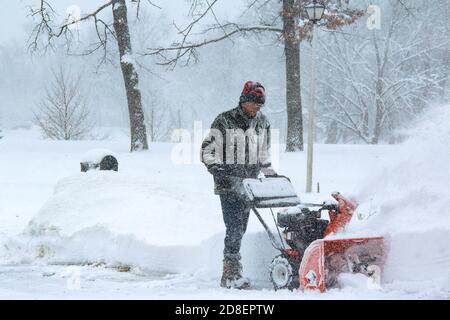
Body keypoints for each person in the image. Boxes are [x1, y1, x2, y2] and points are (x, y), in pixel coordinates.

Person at [201, 81, 277, 289]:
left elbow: (263, 153)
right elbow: (208, 149)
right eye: (253, 103)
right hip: (228, 183)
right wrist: (217, 169)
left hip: (249, 185)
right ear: (243, 101)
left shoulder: (263, 122)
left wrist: (271, 174)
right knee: (234, 227)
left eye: (260, 105)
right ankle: (230, 274)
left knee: (241, 227)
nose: (256, 108)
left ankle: (234, 269)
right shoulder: (225, 120)